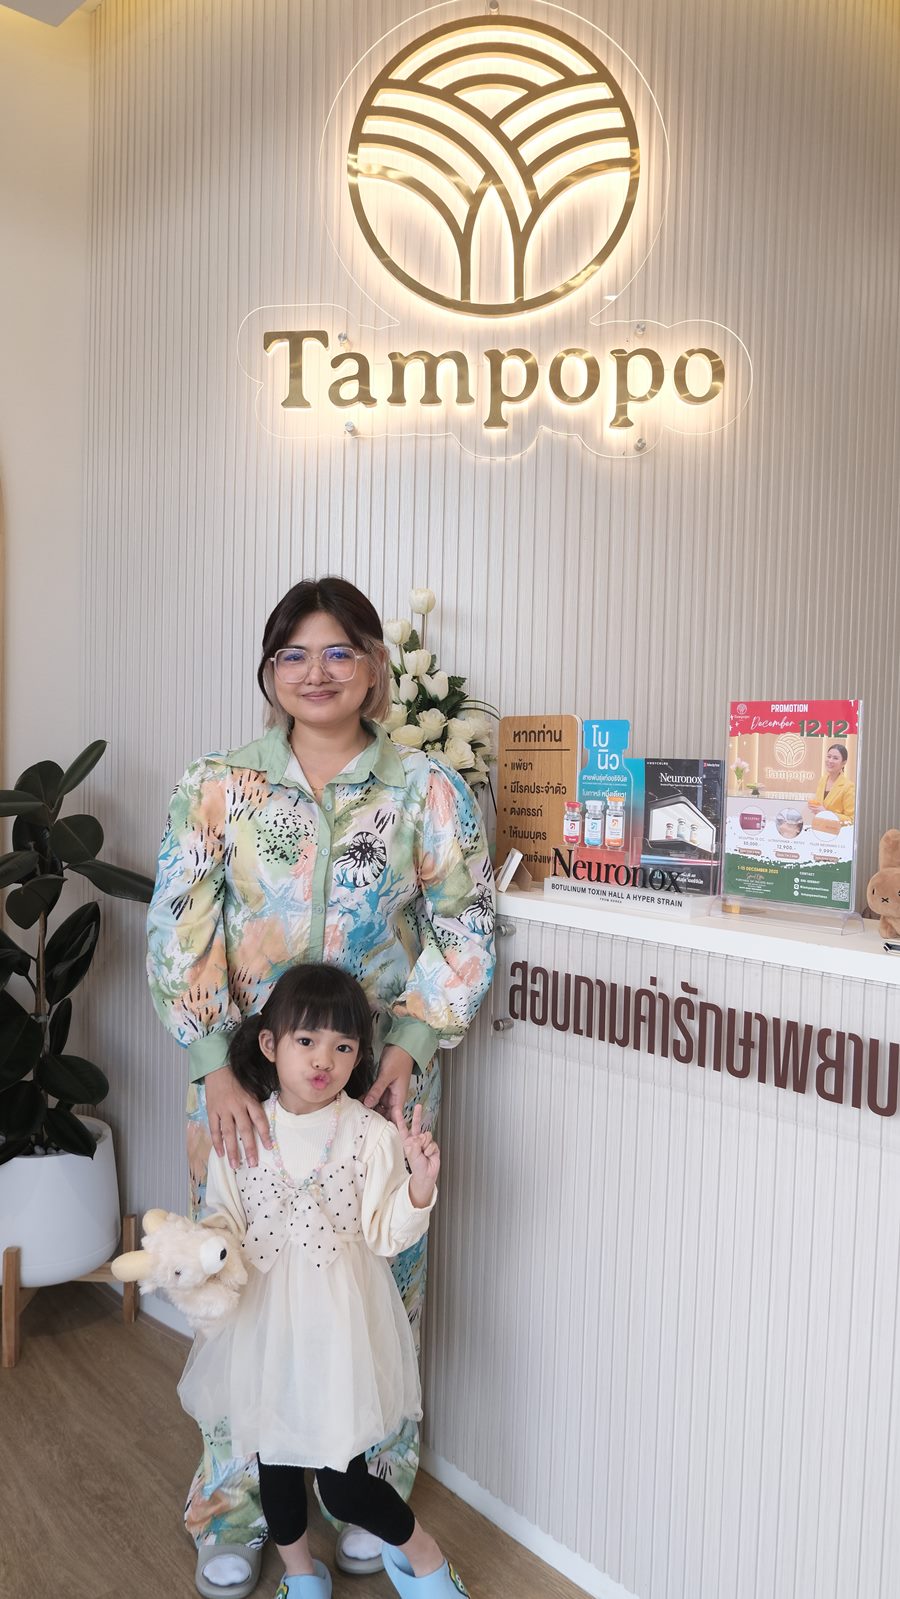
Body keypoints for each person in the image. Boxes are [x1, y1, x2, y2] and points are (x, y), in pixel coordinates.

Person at [147, 576, 495, 1597]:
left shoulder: (425, 789)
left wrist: (410, 1047)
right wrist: (214, 1066)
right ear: (269, 672)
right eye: (294, 654)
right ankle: (237, 1507)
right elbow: (179, 927)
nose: (317, 671)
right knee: (238, 1295)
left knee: (372, 1296)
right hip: (241, 1094)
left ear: (376, 667)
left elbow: (465, 923)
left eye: (340, 651)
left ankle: (363, 1497)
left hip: (377, 1086)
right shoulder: (218, 785)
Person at [177, 962, 470, 1599]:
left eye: (343, 1047)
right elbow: (222, 1217)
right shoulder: (245, 1129)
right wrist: (203, 1251)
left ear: (360, 1055)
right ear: (269, 1044)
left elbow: (386, 1232)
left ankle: (425, 1557)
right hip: (266, 1327)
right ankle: (301, 1575)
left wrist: (418, 1186)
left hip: (340, 1332)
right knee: (276, 1466)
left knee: (343, 1481)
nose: (323, 1060)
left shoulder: (369, 1134)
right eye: (306, 1041)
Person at [808, 742, 855, 824]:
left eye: (835, 758)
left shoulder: (848, 787)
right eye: (829, 756)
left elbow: (851, 820)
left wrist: (826, 814)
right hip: (819, 827)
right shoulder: (822, 780)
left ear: (844, 763)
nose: (830, 761)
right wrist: (815, 807)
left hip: (837, 830)